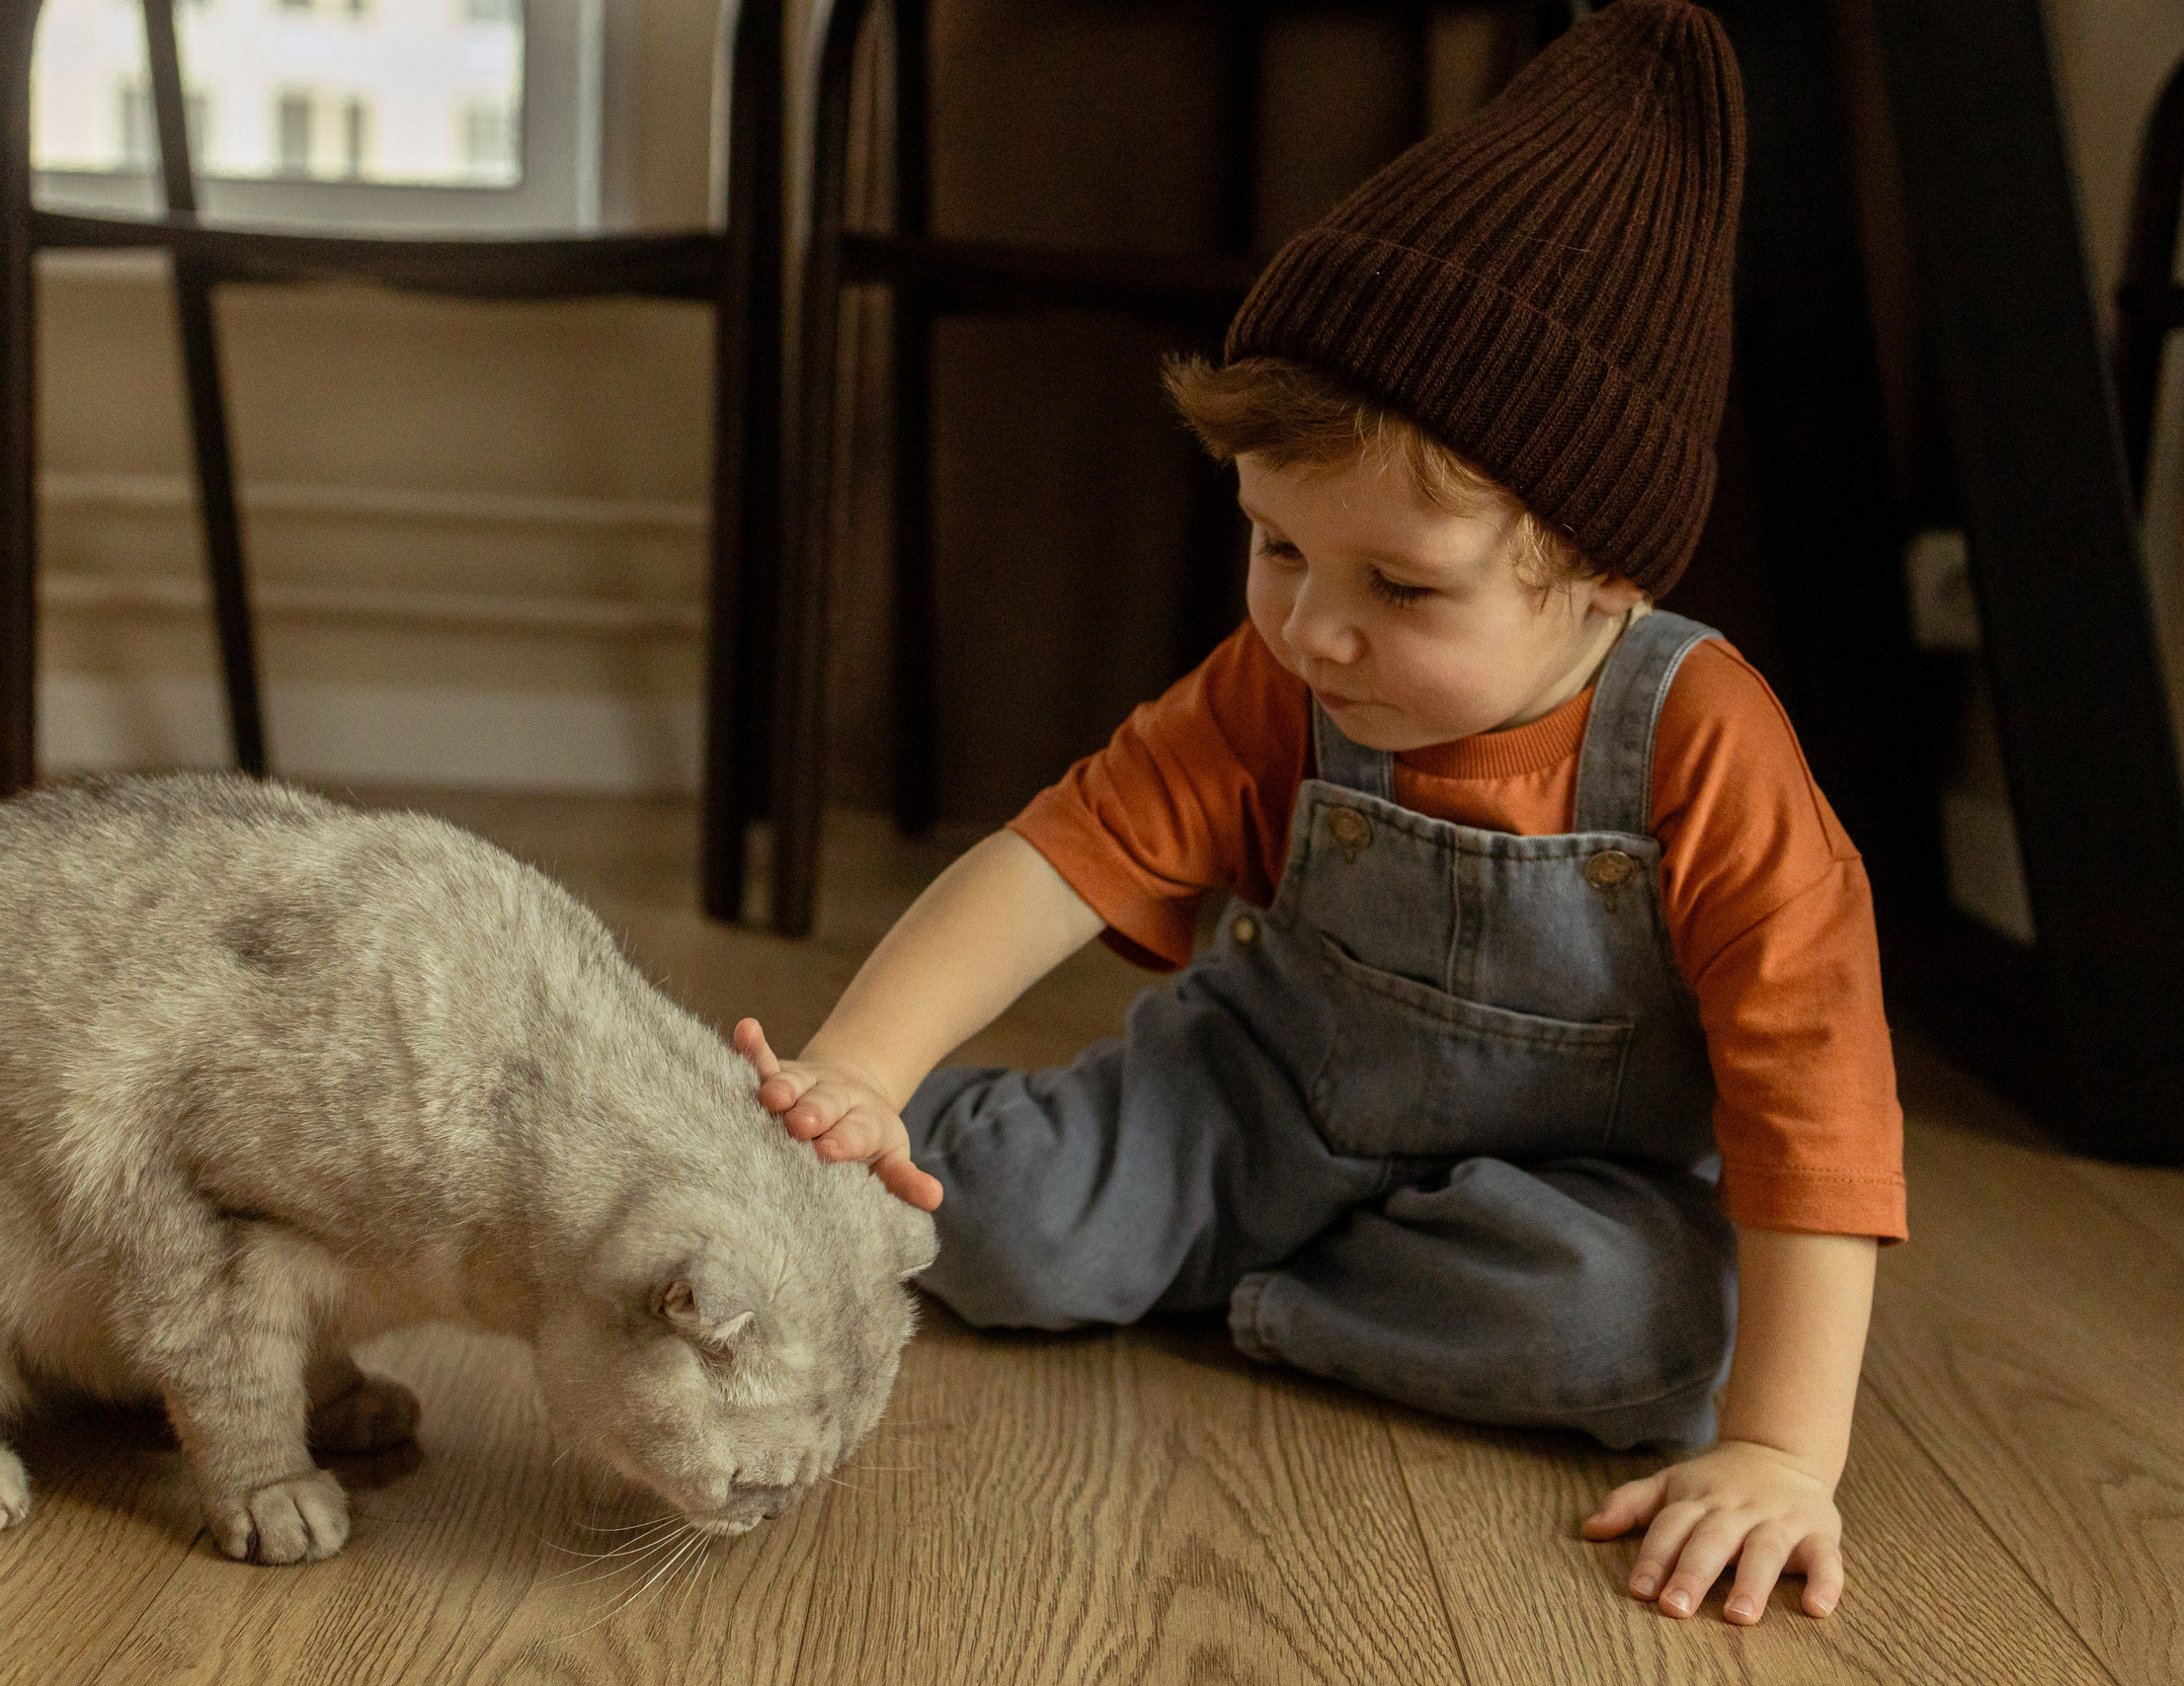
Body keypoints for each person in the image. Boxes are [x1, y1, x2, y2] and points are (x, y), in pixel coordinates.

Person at [736, 0, 1903, 1627]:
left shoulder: (1704, 746)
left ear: (1599, 576)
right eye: (1277, 546)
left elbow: (1818, 1112)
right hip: (1254, 1100)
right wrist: (859, 1072)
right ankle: (858, 1152)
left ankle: (1238, 1287)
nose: (1315, 628)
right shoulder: (1282, 683)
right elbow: (1054, 861)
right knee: (988, 1239)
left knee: (1642, 1339)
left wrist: (1785, 1450)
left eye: (1401, 586)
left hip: (1559, 1188)